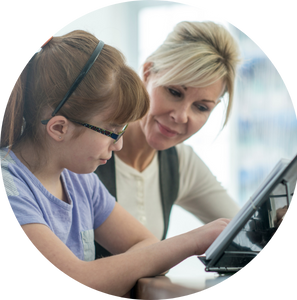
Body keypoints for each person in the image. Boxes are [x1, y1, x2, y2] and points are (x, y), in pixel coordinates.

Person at [0, 30, 230, 299]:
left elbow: (145, 243)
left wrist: (110, 276)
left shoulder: (81, 182)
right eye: (112, 132)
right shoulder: (10, 189)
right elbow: (78, 280)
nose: (118, 145)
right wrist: (193, 241)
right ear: (60, 128)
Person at [94, 21, 242, 258]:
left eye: (201, 107)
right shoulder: (86, 146)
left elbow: (244, 231)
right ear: (147, 73)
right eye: (174, 92)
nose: (181, 116)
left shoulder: (181, 163)